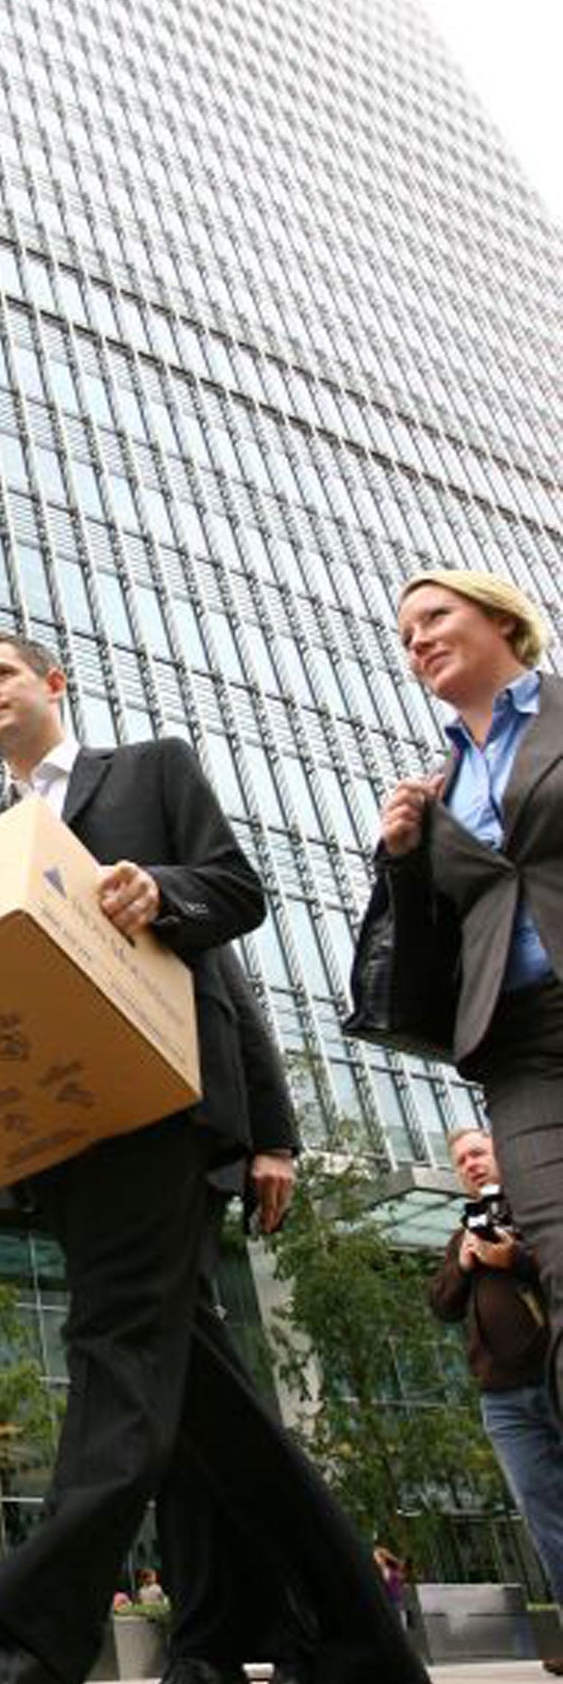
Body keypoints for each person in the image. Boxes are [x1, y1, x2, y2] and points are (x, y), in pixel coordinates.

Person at [0, 632, 441, 1684]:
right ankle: (367, 1658)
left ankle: (29, 1655)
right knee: (213, 1417)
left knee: (117, 1354)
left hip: (166, 1102)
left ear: (53, 685)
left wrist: (161, 892)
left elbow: (236, 898)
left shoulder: (148, 771)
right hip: (73, 1131)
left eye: (0, 676)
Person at [109, 946, 310, 1684]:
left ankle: (230, 1656)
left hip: (183, 1145)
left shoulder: (133, 827)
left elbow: (231, 995)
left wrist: (275, 1138)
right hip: (102, 1160)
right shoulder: (32, 838)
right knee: (194, 1409)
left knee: (190, 1407)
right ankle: (260, 1649)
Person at [371, 570, 563, 1412]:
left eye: (434, 617)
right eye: (406, 635)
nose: (417, 640)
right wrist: (405, 856)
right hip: (519, 1042)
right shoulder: (439, 788)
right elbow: (433, 934)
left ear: (500, 619)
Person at [430, 1125, 563, 1649]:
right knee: (543, 1515)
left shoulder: (538, 1209)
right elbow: (441, 1305)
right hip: (502, 1396)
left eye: (478, 1152)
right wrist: (464, 1265)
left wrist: (515, 1259)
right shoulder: (461, 1234)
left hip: (553, 1374)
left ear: (503, 1154)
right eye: (461, 1160)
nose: (471, 1164)